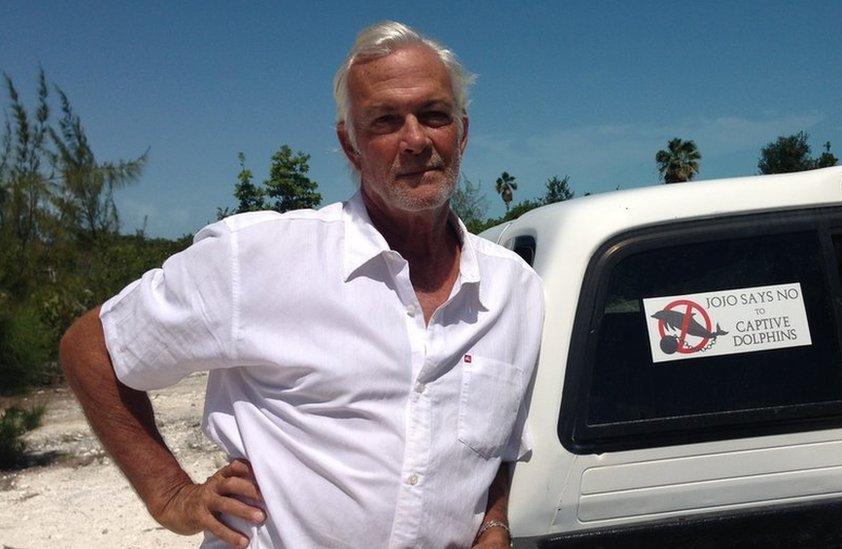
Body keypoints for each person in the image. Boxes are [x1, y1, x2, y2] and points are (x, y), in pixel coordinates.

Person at [60, 20, 544, 548]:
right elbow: (93, 347)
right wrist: (171, 495)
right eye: (385, 121)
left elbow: (497, 447)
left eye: (434, 115)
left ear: (462, 131)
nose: (415, 139)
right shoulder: (257, 258)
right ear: (351, 143)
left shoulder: (515, 292)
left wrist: (494, 521)